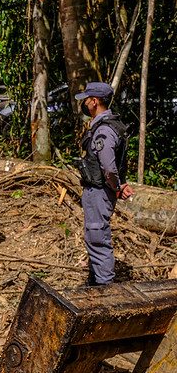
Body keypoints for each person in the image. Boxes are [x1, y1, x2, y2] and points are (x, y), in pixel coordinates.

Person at [75, 81, 134, 286]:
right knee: (94, 236)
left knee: (98, 237)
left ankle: (104, 288)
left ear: (94, 101)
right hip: (99, 190)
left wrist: (117, 188)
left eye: (86, 100)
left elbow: (109, 167)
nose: (85, 105)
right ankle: (95, 280)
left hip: (100, 191)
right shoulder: (109, 125)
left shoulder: (104, 130)